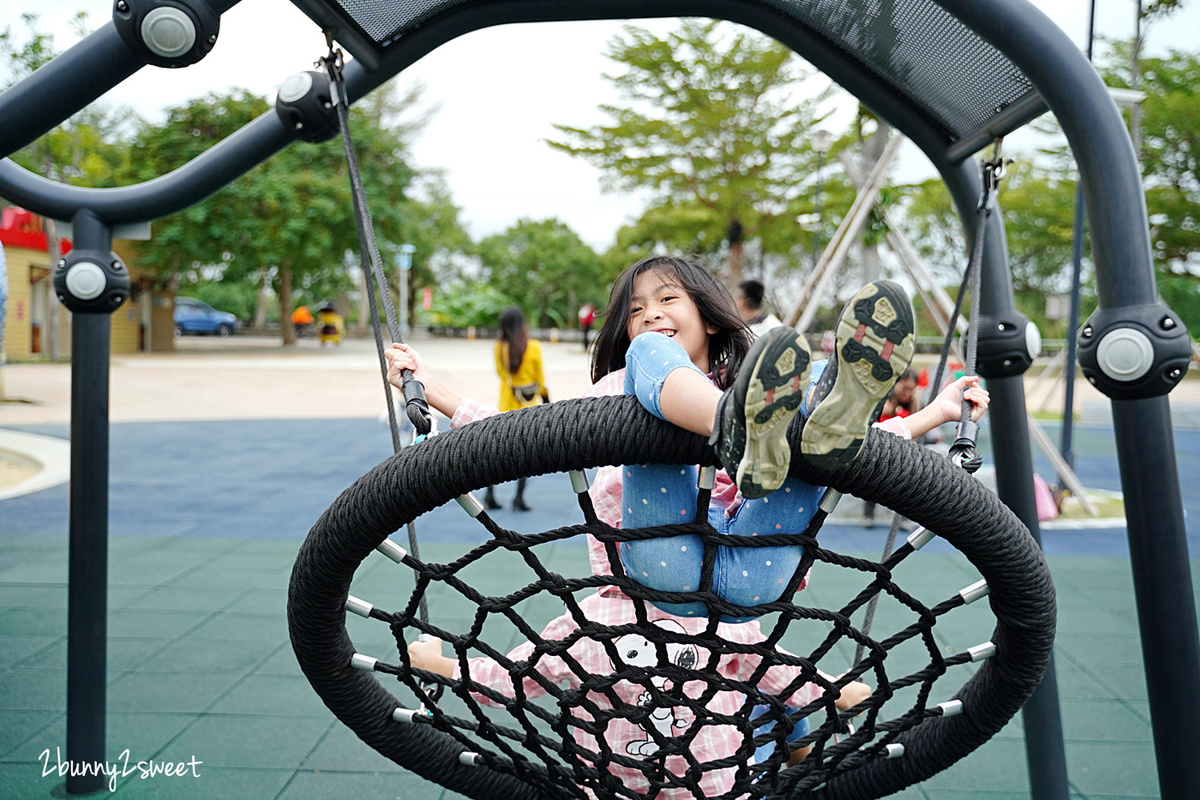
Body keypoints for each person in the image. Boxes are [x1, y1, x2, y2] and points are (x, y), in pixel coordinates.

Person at [386, 256, 988, 791]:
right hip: (659, 574)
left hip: (744, 573)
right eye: (636, 310)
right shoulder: (620, 387)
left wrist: (936, 412)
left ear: (711, 317)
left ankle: (813, 412)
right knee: (665, 376)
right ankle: (726, 424)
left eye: (668, 300)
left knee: (816, 445)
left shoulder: (764, 390)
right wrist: (429, 388)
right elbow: (518, 433)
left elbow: (866, 455)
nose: (649, 316)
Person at [484, 306, 549, 511]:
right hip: (527, 408)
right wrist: (545, 396)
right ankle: (518, 497)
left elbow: (501, 374)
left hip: (505, 404)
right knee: (524, 454)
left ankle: (489, 494)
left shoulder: (499, 347)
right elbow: (539, 379)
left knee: (497, 454)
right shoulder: (534, 347)